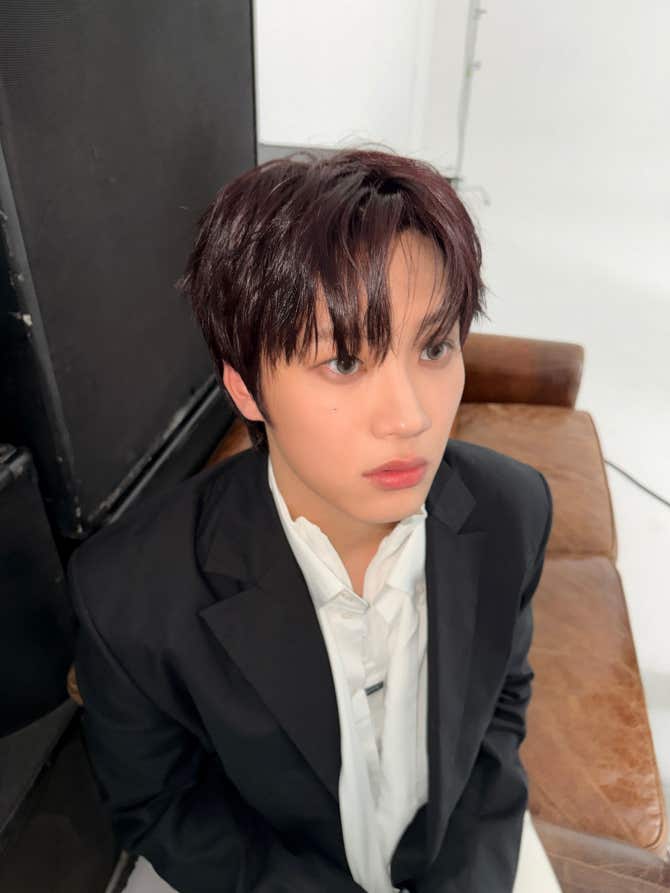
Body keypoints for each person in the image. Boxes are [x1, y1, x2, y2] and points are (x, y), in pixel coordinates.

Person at [68, 149, 559, 892]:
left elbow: (499, 712)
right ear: (246, 388)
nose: (410, 417)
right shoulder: (130, 597)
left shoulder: (513, 510)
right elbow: (162, 805)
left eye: (434, 347)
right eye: (344, 362)